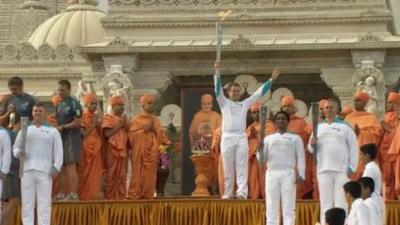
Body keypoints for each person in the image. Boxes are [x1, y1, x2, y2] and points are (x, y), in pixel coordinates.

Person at [214, 61, 281, 199]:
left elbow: (258, 93)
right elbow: (217, 90)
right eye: (233, 91)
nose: (236, 93)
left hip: (241, 137)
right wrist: (217, 71)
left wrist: (271, 80)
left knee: (242, 166)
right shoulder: (224, 102)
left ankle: (242, 193)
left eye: (238, 91)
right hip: (227, 137)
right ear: (229, 92)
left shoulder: (244, 104)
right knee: (228, 167)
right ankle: (227, 193)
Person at [308, 99, 359, 225]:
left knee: (341, 202)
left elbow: (354, 147)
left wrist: (352, 167)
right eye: (326, 108)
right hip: (323, 169)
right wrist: (312, 144)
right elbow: (310, 149)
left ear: (337, 109)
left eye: (331, 107)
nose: (328, 110)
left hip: (342, 170)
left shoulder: (345, 126)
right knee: (325, 202)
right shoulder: (318, 127)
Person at [13, 102, 63, 225]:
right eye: (35, 111)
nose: (38, 113)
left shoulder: (52, 131)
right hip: (27, 170)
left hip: (45, 171)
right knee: (27, 202)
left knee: (44, 202)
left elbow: (58, 150)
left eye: (40, 111)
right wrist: (19, 153)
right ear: (32, 113)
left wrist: (57, 167)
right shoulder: (25, 130)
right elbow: (15, 148)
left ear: (45, 113)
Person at [261, 110, 305, 225]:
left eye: (283, 118)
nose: (280, 121)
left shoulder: (295, 138)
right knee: (271, 207)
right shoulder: (268, 139)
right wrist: (259, 149)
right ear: (275, 122)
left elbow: (301, 157)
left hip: (288, 174)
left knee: (289, 207)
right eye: (278, 119)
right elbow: (261, 160)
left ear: (288, 121)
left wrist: (301, 174)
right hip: (271, 174)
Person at [128, 94, 169, 199]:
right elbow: (131, 137)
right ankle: (134, 198)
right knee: (137, 176)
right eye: (149, 103)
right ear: (143, 105)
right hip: (139, 154)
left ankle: (148, 197)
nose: (152, 106)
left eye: (153, 104)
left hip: (152, 153)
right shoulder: (137, 119)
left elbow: (162, 138)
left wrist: (156, 131)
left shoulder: (156, 120)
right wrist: (145, 130)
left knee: (150, 178)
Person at [55, 80, 83, 201]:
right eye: (59, 90)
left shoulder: (74, 103)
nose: (60, 92)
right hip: (61, 138)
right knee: (60, 166)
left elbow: (78, 122)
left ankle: (73, 194)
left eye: (63, 90)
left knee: (71, 166)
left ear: (69, 90)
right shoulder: (59, 105)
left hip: (71, 137)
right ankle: (62, 193)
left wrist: (63, 127)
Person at [345, 92, 382, 180]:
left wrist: (361, 133)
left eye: (358, 100)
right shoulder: (348, 118)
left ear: (365, 103)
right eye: (354, 101)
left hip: (365, 154)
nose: (355, 103)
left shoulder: (371, 118)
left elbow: (376, 136)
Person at [281, 95, 312, 199]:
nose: (286, 108)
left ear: (294, 108)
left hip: (298, 158)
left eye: (288, 106)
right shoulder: (279, 122)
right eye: (284, 106)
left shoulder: (301, 122)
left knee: (298, 185)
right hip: (283, 159)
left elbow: (306, 138)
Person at [101, 96, 129, 200]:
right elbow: (107, 134)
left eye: (123, 105)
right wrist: (120, 125)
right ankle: (110, 198)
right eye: (119, 105)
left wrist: (125, 125)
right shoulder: (108, 118)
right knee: (111, 175)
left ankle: (120, 198)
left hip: (123, 152)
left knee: (122, 175)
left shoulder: (124, 121)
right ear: (113, 106)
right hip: (112, 152)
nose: (122, 107)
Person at [247, 102, 276, 199]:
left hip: (265, 160)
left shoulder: (269, 125)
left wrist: (257, 135)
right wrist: (249, 136)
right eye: (253, 112)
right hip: (253, 160)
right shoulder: (250, 127)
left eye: (258, 112)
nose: (256, 114)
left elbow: (270, 141)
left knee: (265, 184)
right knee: (253, 184)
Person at [77, 93, 103, 200]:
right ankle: (84, 195)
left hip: (96, 147)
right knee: (84, 172)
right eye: (91, 103)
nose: (94, 106)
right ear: (86, 104)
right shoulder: (82, 117)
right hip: (85, 147)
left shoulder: (96, 117)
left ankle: (93, 195)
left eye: (95, 104)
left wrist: (98, 125)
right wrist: (93, 125)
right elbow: (82, 135)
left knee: (95, 173)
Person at [0, 94, 19, 225]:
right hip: (9, 171)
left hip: (11, 171)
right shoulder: (6, 132)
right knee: (13, 201)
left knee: (7, 202)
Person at [379, 92, 400, 199]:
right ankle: (388, 201)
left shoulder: (398, 116)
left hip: (396, 151)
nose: (388, 105)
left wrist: (389, 129)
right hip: (385, 152)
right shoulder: (386, 116)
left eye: (391, 102)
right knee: (387, 177)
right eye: (388, 102)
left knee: (396, 177)